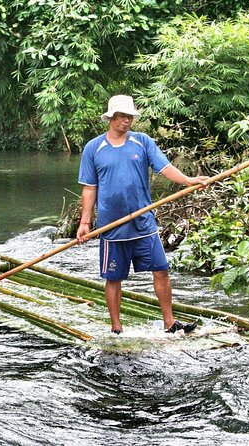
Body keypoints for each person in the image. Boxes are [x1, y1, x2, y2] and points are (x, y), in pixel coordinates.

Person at [76, 95, 209, 335]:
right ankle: (116, 328)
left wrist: (189, 181)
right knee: (114, 277)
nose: (126, 121)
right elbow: (89, 188)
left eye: (129, 117)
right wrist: (85, 222)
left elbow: (165, 168)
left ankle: (170, 322)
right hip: (111, 226)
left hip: (143, 222)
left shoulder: (142, 142)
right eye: (121, 116)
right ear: (111, 118)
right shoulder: (94, 148)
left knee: (160, 269)